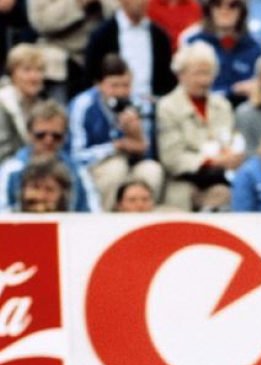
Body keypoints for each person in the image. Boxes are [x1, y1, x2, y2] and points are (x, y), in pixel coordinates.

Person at [68, 54, 164, 211]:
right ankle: (106, 218)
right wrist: (115, 147)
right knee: (115, 169)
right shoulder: (82, 106)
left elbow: (147, 152)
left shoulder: (138, 104)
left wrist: (137, 135)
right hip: (96, 167)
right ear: (99, 84)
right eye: (114, 86)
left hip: (130, 164)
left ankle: (145, 219)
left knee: (152, 170)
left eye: (125, 85)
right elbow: (76, 156)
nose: (120, 92)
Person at [156, 41, 244, 212]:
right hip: (181, 179)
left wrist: (231, 156)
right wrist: (207, 161)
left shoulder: (222, 105)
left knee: (226, 194)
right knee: (181, 196)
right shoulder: (167, 106)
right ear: (181, 75)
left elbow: (229, 142)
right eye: (197, 73)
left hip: (218, 178)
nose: (204, 80)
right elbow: (172, 158)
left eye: (208, 73)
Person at [0, 100, 100, 212]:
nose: (48, 141)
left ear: (65, 137)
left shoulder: (78, 172)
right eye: (41, 135)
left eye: (56, 136)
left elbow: (93, 212)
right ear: (29, 134)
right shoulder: (11, 170)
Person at [85, 0, 176, 100]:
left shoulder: (160, 36)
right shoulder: (101, 35)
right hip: (113, 102)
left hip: (152, 101)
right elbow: (92, 75)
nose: (140, 2)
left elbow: (167, 77)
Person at [183, 0, 261, 107]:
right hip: (204, 109)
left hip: (243, 110)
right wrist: (233, 90)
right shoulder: (193, 42)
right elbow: (190, 87)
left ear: (242, 11)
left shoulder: (254, 46)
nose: (225, 10)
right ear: (209, 9)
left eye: (233, 5)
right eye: (217, 4)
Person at [0, 44, 45, 162]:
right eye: (27, 70)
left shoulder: (43, 106)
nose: (34, 77)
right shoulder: (3, 103)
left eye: (39, 70)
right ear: (12, 73)